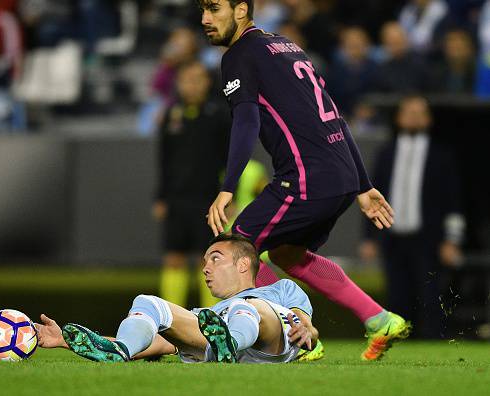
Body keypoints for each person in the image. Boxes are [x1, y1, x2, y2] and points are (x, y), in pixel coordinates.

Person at [198, 0, 409, 360]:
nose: (204, 19)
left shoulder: (239, 55)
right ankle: (378, 318)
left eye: (214, 8)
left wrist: (227, 187)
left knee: (238, 244)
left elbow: (246, 122)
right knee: (287, 253)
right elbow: (337, 119)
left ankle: (297, 338)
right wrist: (362, 184)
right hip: (338, 173)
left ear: (241, 9)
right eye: (202, 9)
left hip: (307, 177)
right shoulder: (285, 45)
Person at [35, 234, 322, 363]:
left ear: (244, 265)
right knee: (149, 302)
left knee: (246, 307)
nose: (205, 268)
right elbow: (157, 343)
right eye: (205, 260)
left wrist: (308, 329)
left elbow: (307, 323)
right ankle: (120, 351)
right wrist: (65, 341)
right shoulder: (208, 317)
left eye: (215, 259)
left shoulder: (278, 289)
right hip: (217, 337)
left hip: (272, 342)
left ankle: (230, 344)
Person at [359, 95, 465, 338]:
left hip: (428, 239)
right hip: (392, 237)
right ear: (398, 117)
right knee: (396, 295)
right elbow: (372, 198)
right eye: (409, 112)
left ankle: (434, 348)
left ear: (428, 119)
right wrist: (369, 238)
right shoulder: (386, 153)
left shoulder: (442, 155)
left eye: (420, 112)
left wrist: (452, 240)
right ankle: (399, 346)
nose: (414, 117)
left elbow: (453, 201)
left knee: (430, 296)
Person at [153, 61, 230, 309]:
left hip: (208, 199)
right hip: (177, 199)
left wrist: (230, 197)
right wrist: (161, 197)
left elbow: (230, 159)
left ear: (207, 82)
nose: (192, 85)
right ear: (178, 83)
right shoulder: (171, 114)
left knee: (207, 259)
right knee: (173, 258)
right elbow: (163, 160)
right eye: (187, 79)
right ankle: (170, 320)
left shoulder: (219, 114)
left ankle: (211, 318)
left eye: (197, 79)